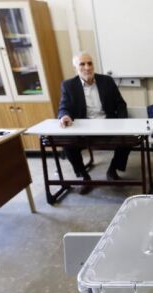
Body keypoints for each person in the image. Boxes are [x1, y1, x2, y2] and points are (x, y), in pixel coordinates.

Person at [58, 51, 129, 194]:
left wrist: (121, 123)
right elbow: (64, 107)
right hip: (83, 129)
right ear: (75, 68)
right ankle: (84, 177)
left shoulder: (106, 81)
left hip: (108, 125)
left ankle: (113, 169)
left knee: (129, 138)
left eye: (89, 63)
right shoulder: (68, 85)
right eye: (82, 64)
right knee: (67, 143)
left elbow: (121, 104)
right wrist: (64, 116)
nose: (87, 67)